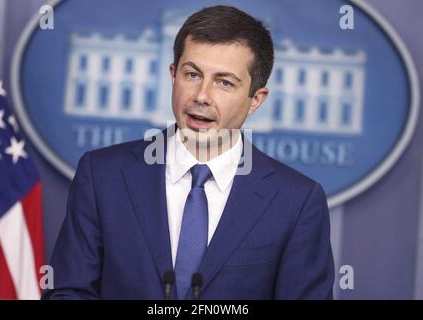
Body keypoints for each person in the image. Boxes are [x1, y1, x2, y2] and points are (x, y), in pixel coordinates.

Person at [42, 5, 334, 300]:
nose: (202, 96)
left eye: (224, 82)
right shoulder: (102, 175)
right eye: (192, 74)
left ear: (255, 99)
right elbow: (69, 292)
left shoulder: (297, 202)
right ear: (173, 74)